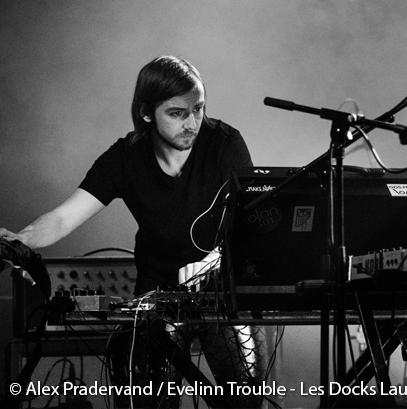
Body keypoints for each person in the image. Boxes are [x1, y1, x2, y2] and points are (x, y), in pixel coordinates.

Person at [1, 56, 267, 408]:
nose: (192, 123)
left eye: (198, 109)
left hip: (222, 291)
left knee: (244, 401)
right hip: (156, 293)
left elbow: (248, 229)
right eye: (177, 113)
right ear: (145, 113)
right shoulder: (125, 157)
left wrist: (211, 262)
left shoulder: (225, 143)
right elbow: (64, 218)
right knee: (148, 401)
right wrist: (20, 240)